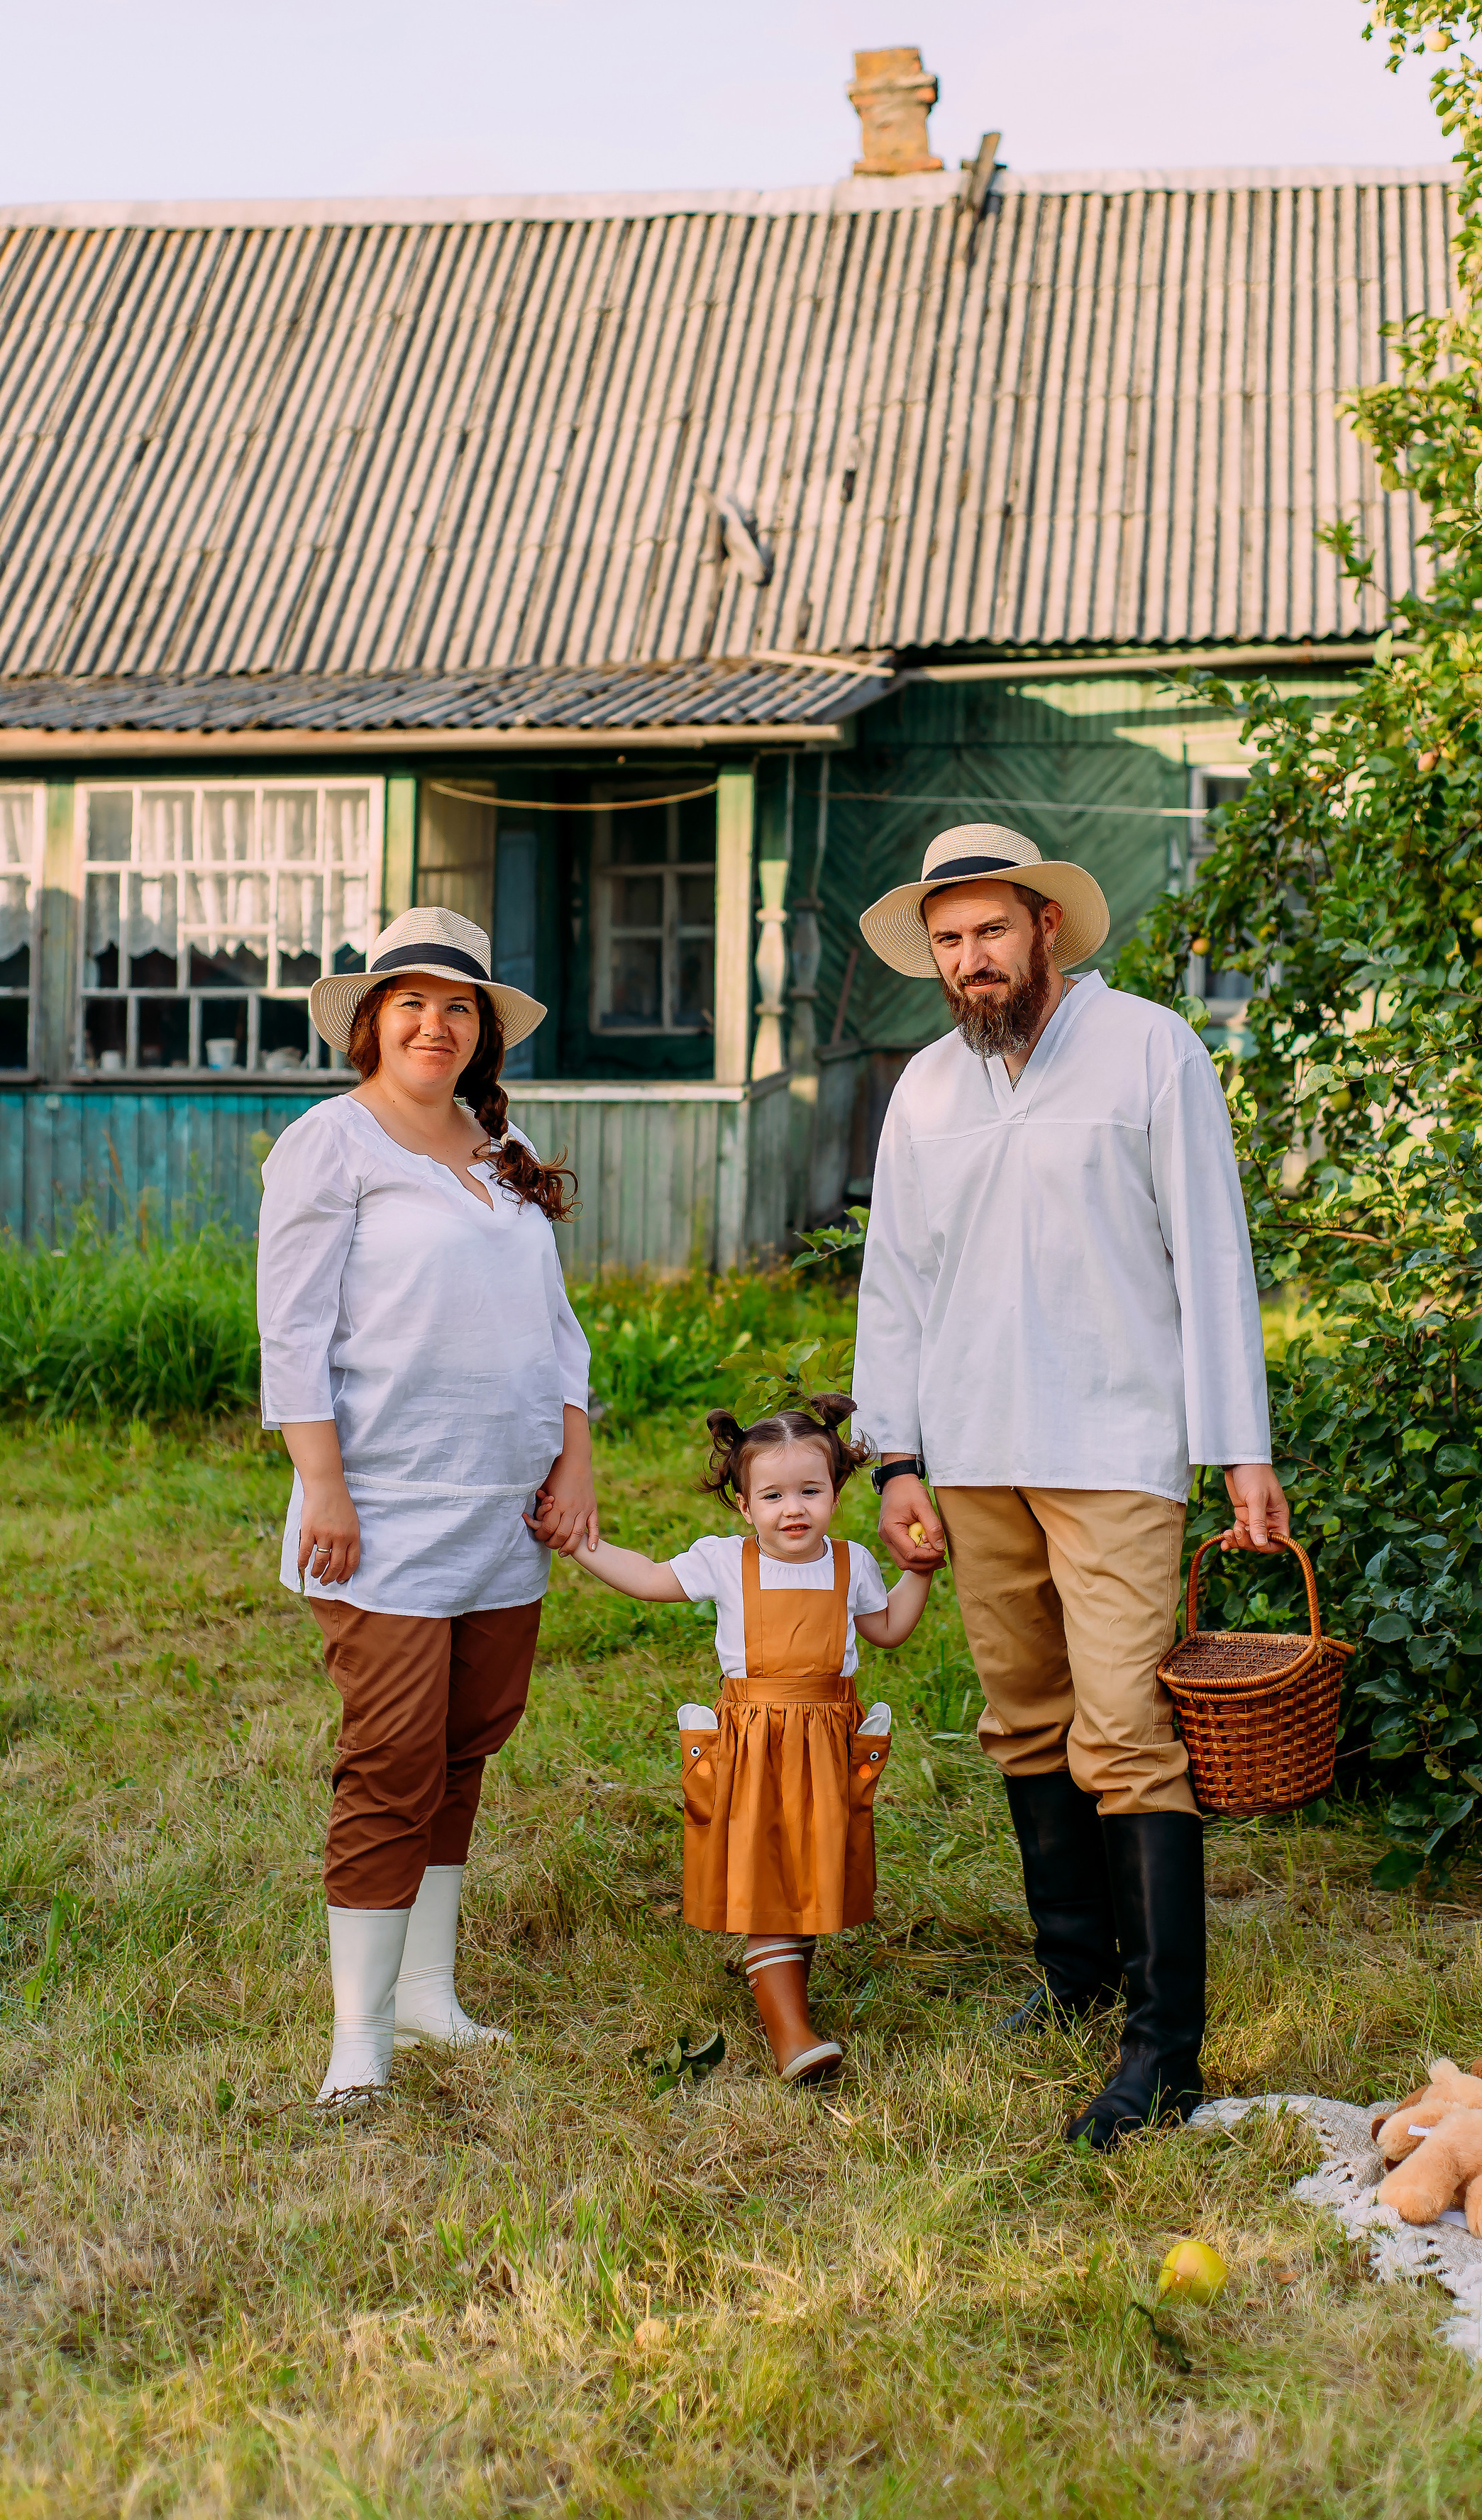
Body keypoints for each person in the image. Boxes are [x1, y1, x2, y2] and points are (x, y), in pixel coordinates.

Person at [848, 823, 1288, 2148]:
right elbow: (898, 1278)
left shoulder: (1152, 1048)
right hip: (975, 1450)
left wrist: (1240, 1444)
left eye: (990, 929)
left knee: (1126, 1728)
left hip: (1112, 1446)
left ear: (1046, 923)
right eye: (948, 940)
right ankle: (1075, 1974)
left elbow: (1211, 1249)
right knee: (1026, 1719)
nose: (970, 959)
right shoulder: (927, 1085)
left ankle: (1166, 2046)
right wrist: (898, 1453)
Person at [257, 905, 596, 2105]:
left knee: (464, 1746)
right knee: (391, 1754)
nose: (435, 1023)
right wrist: (325, 1484)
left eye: (459, 1005)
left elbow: (553, 1324)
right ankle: (360, 2034)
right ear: (370, 1020)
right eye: (411, 1001)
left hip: (501, 1505)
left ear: (482, 1032)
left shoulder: (501, 1138)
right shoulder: (329, 1144)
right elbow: (291, 1330)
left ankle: (428, 1993)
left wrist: (576, 1454)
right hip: (382, 1506)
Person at [558, 1397, 931, 2081]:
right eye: (773, 1495)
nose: (793, 1509)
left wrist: (921, 1572)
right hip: (755, 1749)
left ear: (836, 1492)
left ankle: (791, 2004)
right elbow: (646, 1579)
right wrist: (579, 1543)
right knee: (768, 1881)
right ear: (743, 1506)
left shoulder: (852, 1564)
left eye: (810, 1492)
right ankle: (791, 2036)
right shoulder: (727, 1562)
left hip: (826, 1745)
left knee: (808, 1879)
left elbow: (888, 1630)